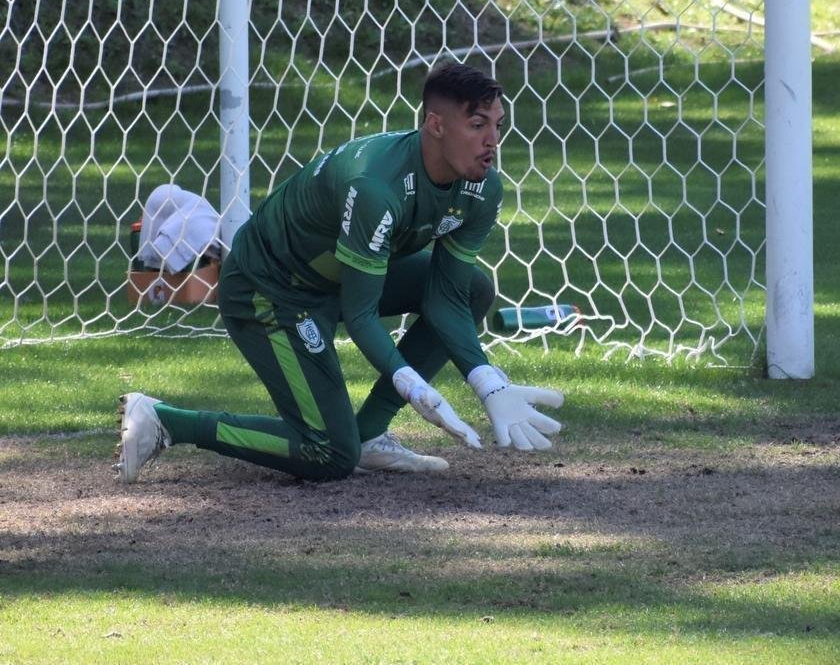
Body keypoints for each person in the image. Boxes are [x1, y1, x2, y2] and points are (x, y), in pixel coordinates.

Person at [115, 62, 564, 483]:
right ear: (436, 124)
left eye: (498, 125)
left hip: (335, 282)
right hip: (268, 290)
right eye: (478, 124)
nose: (493, 140)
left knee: (474, 288)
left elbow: (446, 295)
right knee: (328, 454)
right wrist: (413, 386)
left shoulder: (482, 189)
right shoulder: (376, 187)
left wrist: (489, 383)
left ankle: (369, 432)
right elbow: (362, 312)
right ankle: (166, 421)